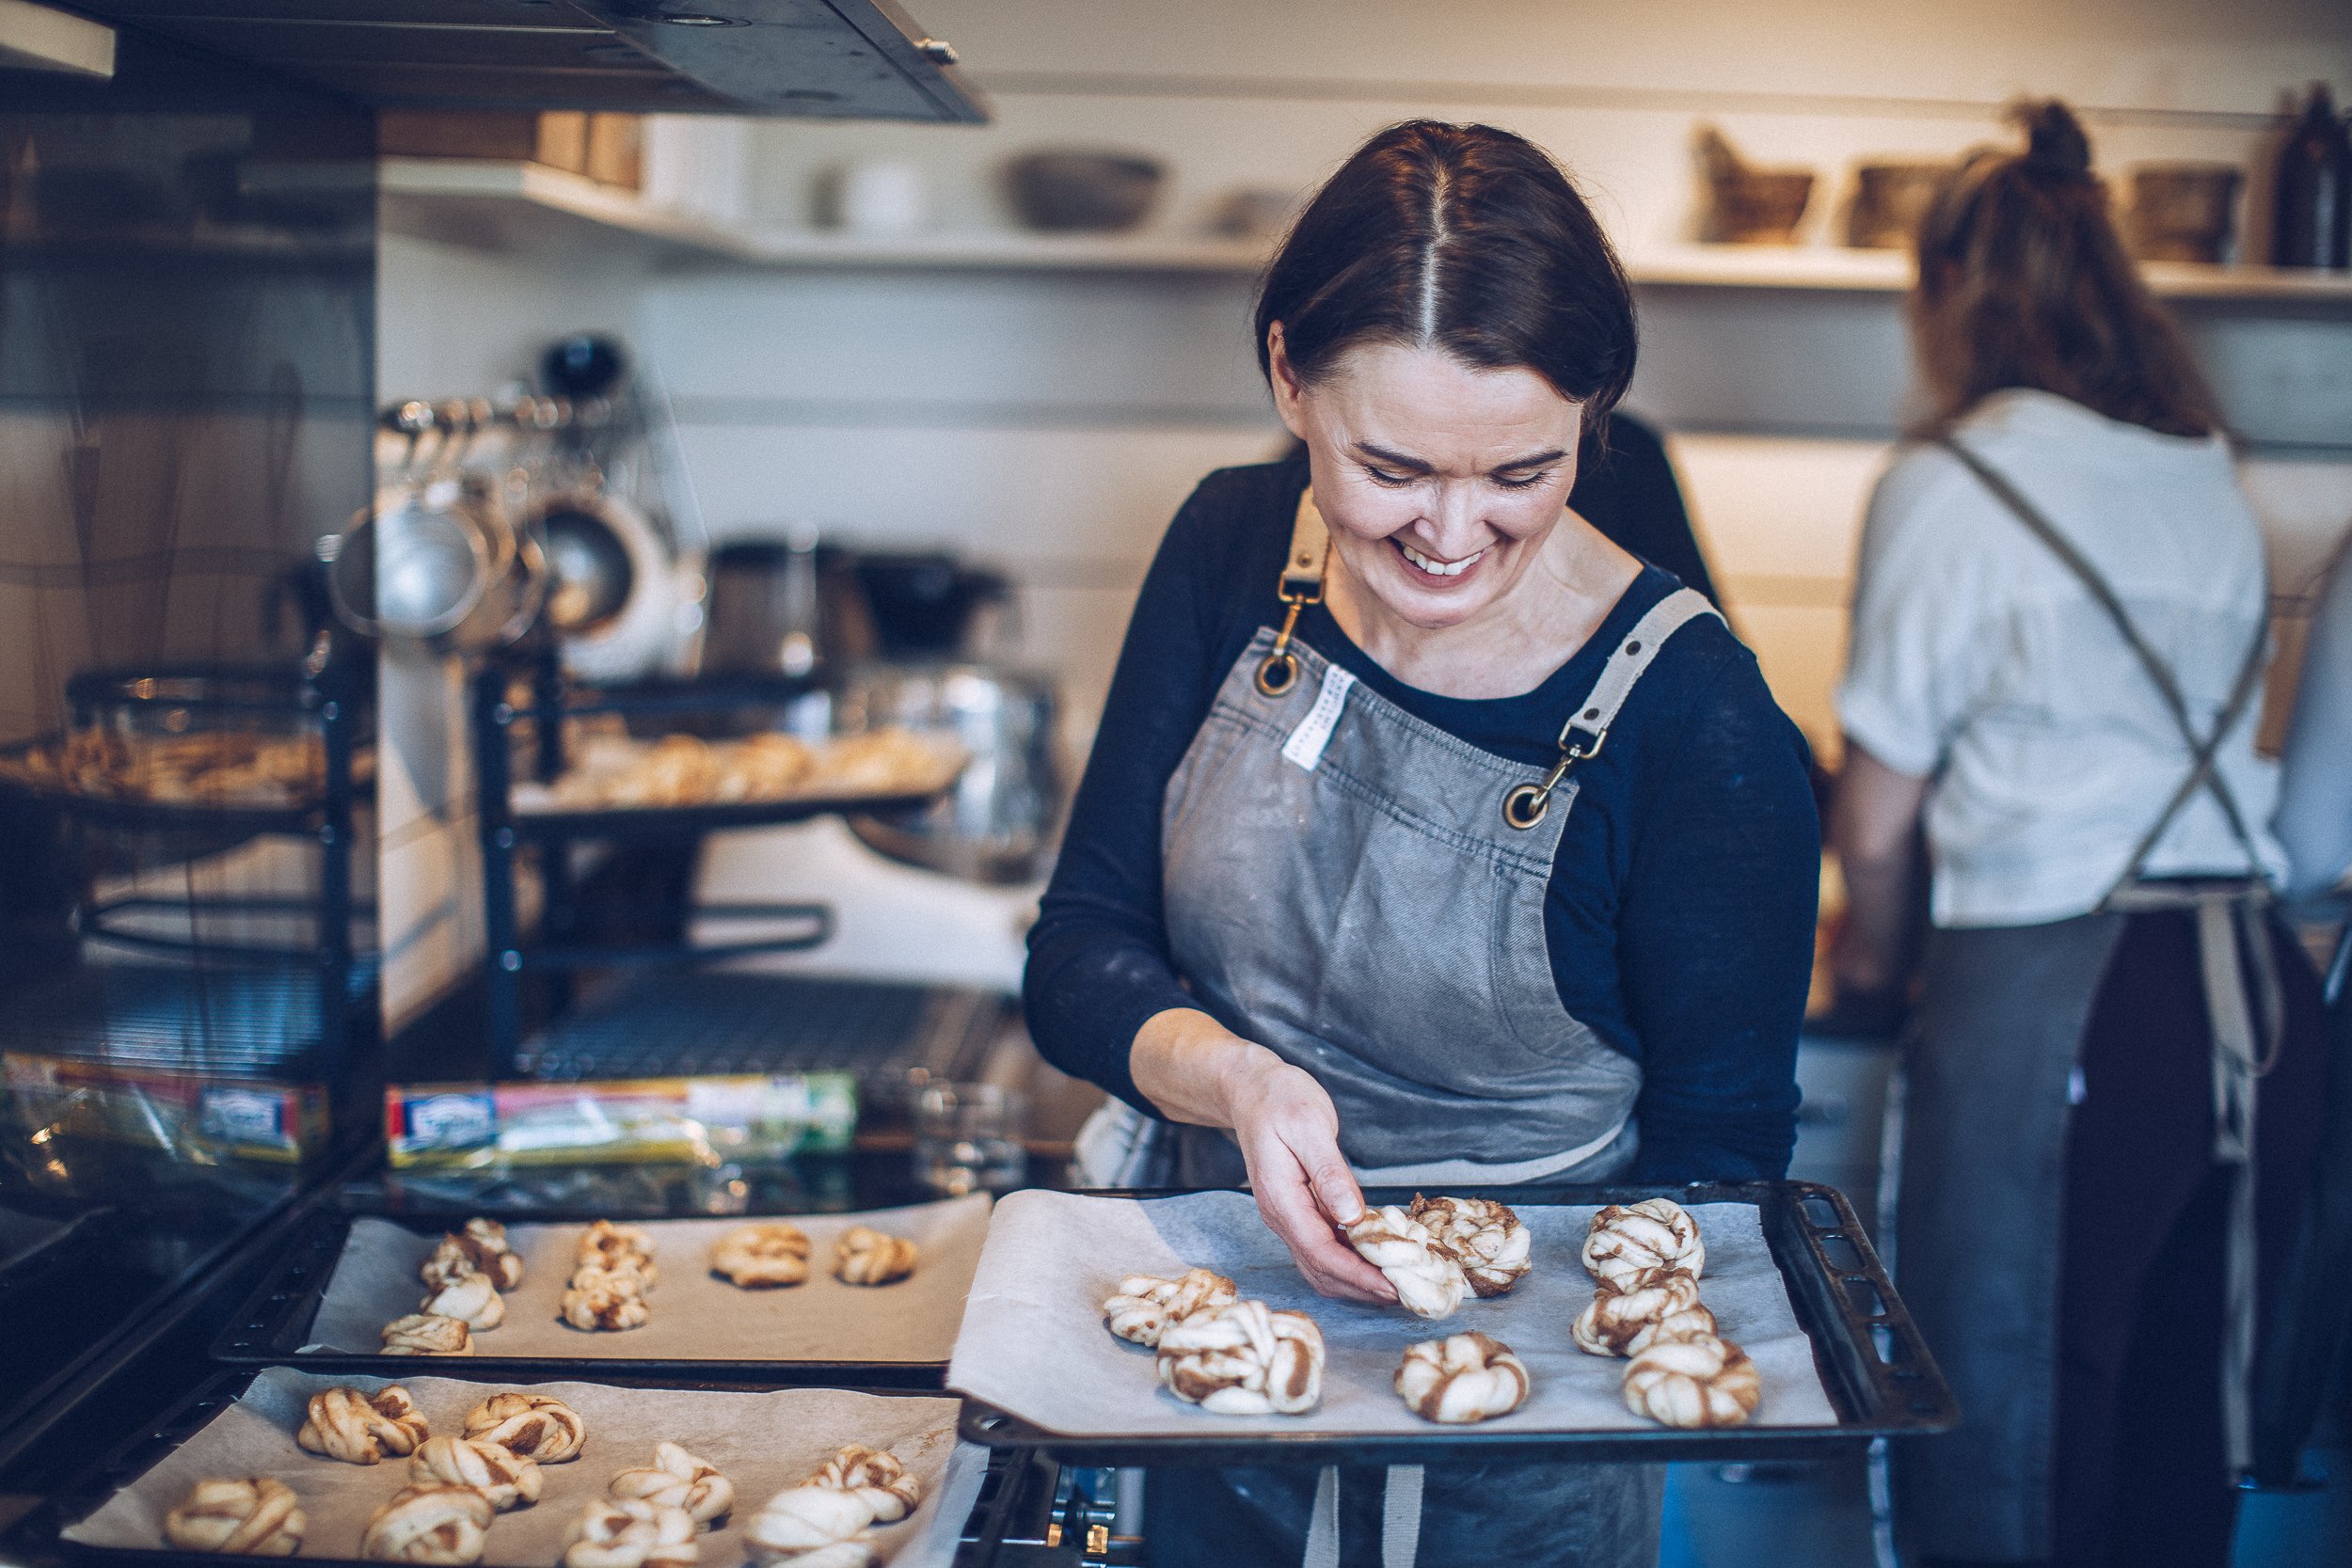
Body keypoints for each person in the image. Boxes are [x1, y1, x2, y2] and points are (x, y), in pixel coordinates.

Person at [1025, 120, 1818, 1567]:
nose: (1454, 533)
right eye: (1392, 467)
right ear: (1286, 380)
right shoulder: (1229, 547)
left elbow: (1722, 1163)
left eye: (1523, 470)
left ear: (1597, 412)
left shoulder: (1696, 720)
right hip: (1207, 1356)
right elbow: (1080, 950)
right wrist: (1239, 1082)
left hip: (1525, 1439)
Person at [1826, 101, 2329, 1568]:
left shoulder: (1950, 482)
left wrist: (1871, 960)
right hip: (2254, 997)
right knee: (2186, 1448)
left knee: (2011, 1440)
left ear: (1950, 298)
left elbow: (1874, 818)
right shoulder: (2206, 474)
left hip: (2067, 1004)